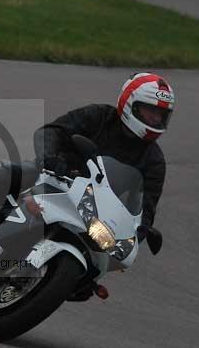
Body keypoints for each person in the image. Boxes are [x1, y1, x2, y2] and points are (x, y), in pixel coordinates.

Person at [33, 72, 176, 231]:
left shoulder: (154, 161)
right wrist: (50, 157)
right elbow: (49, 132)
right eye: (150, 111)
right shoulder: (98, 116)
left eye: (161, 115)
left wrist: (142, 230)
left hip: (95, 216)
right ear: (130, 103)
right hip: (54, 184)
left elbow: (146, 211)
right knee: (10, 176)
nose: (156, 119)